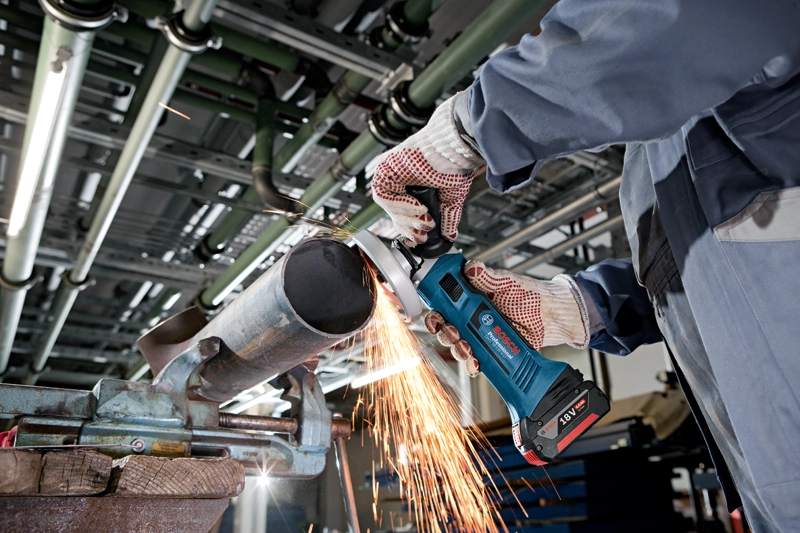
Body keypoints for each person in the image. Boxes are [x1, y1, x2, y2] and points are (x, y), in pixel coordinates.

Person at [370, 1, 800, 531]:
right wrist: (578, 308)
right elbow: (712, 262)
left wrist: (471, 129)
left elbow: (684, 15)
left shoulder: (689, 84)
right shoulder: (666, 142)